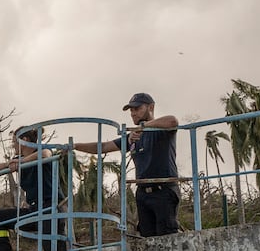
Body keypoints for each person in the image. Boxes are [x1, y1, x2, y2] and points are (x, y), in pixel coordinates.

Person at [71, 92, 181, 236]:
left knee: (167, 237)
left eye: (137, 109)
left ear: (151, 107)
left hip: (164, 189)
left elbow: (173, 121)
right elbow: (103, 147)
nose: (133, 113)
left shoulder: (160, 130)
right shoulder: (133, 137)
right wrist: (74, 146)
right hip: (143, 193)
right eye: (131, 110)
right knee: (147, 239)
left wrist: (143, 126)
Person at [0, 124, 69, 251]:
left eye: (13, 142)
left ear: (23, 139)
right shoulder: (17, 158)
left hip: (50, 208)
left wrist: (21, 162)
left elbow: (46, 155)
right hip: (33, 210)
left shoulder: (41, 150)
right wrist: (9, 164)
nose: (12, 146)